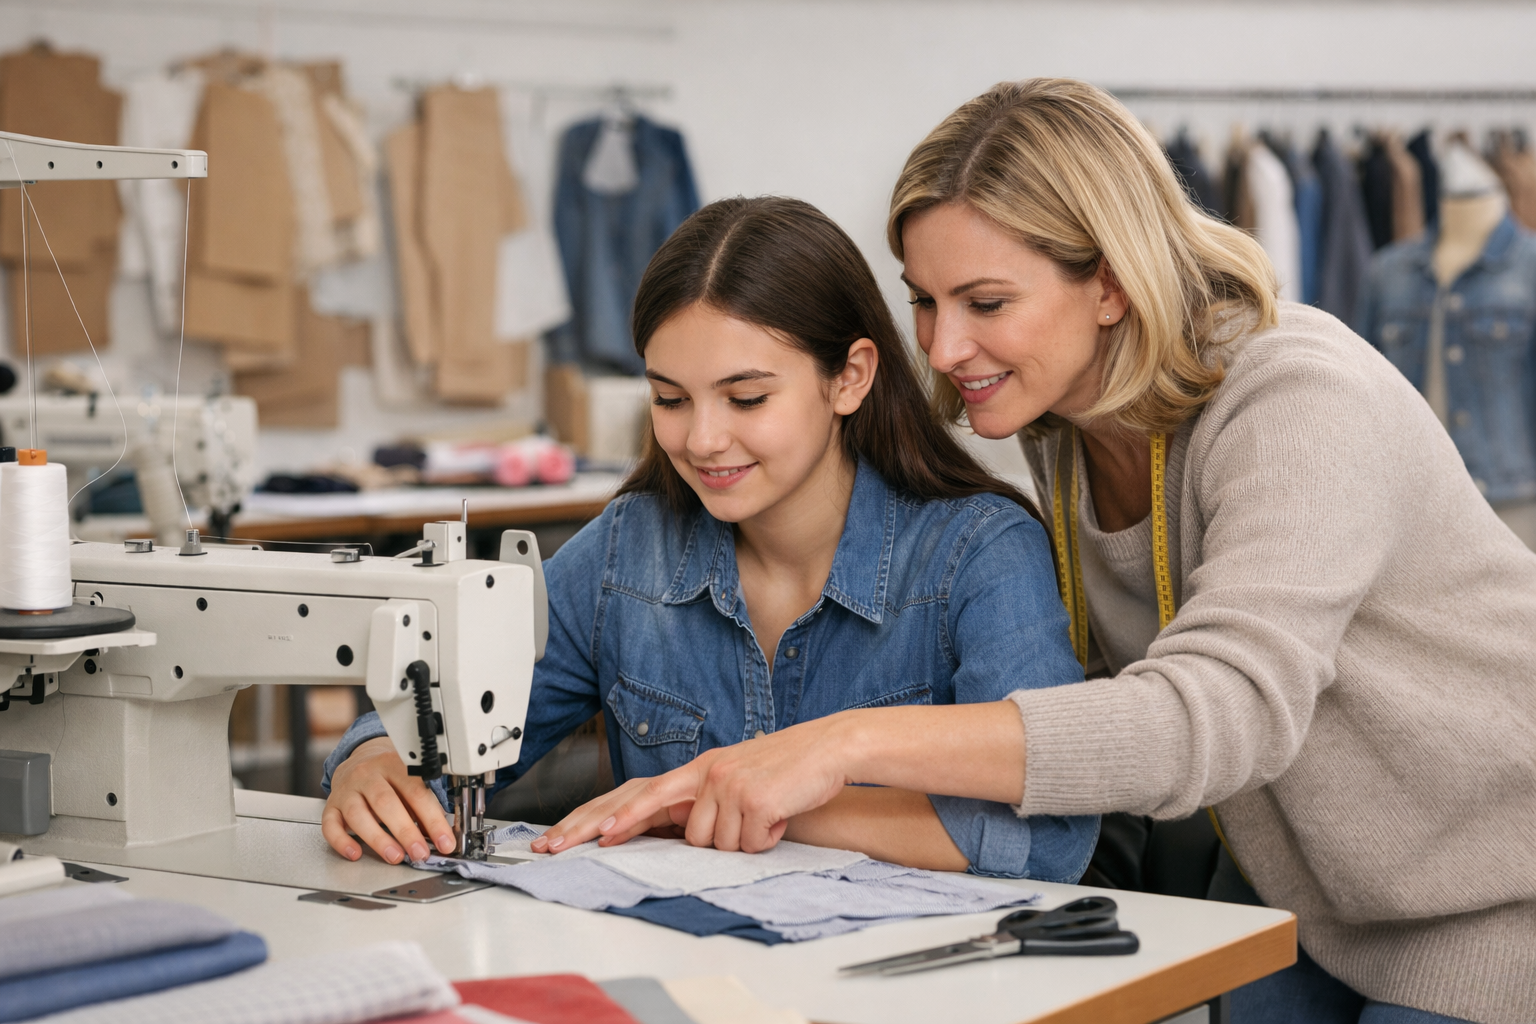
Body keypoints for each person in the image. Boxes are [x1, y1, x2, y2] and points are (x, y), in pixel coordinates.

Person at [539, 82, 1536, 1024]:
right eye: (924, 302)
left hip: (1484, 893)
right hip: (1303, 889)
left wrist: (832, 745)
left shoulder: (1296, 402)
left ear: (1107, 283)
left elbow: (1213, 714)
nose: (941, 346)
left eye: (984, 302)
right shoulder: (1065, 427)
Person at [319, 195, 1096, 882]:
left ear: (850, 378)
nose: (702, 440)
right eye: (669, 398)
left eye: (746, 397)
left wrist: (725, 803)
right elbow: (449, 712)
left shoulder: (978, 554)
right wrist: (373, 759)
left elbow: (1051, 839)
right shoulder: (629, 550)